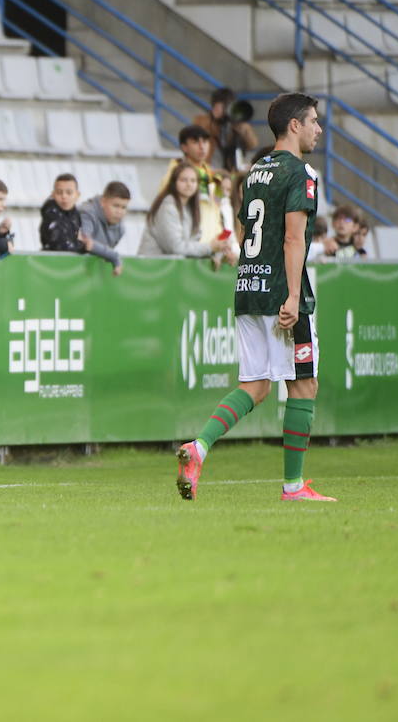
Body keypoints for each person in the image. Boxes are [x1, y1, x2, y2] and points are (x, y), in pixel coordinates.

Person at [177, 93, 332, 502]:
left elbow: (248, 231)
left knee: (257, 384)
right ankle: (293, 487)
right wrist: (295, 296)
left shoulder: (255, 172)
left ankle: (199, 446)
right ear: (294, 125)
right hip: (282, 293)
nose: (319, 129)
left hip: (247, 288)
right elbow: (294, 237)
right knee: (303, 384)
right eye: (314, 121)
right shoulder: (301, 173)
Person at [139, 163, 231, 260]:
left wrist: (214, 254)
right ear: (174, 182)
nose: (189, 184)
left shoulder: (190, 208)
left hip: (172, 268)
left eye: (193, 180)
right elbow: (175, 247)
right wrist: (210, 248)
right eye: (183, 180)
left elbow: (193, 244)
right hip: (151, 267)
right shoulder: (167, 207)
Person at [162, 123, 228, 245]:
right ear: (184, 147)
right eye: (195, 142)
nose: (202, 146)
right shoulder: (175, 173)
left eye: (205, 141)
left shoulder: (213, 176)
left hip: (212, 243)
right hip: (188, 243)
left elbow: (218, 211)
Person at [195, 87, 257, 173]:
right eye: (215, 106)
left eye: (219, 106)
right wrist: (215, 121)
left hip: (231, 170)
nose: (215, 109)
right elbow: (199, 134)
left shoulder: (236, 124)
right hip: (210, 168)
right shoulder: (204, 121)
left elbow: (252, 144)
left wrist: (241, 128)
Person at [78, 181, 130, 275]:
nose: (119, 212)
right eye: (116, 206)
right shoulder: (87, 212)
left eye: (124, 207)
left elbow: (103, 253)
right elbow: (87, 243)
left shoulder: (121, 229)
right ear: (103, 202)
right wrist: (114, 256)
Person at [39, 172, 83, 253]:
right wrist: (83, 247)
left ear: (77, 195)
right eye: (59, 192)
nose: (64, 196)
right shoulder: (50, 214)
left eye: (69, 192)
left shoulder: (77, 215)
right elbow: (61, 245)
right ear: (53, 194)